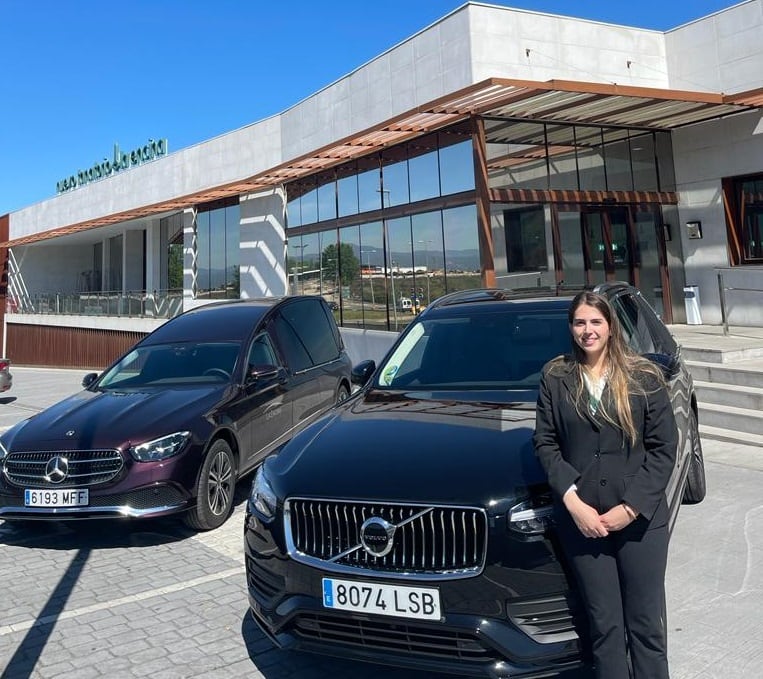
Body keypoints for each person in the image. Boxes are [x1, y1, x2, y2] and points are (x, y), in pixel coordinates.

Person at [533, 290, 678, 679]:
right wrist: (575, 504)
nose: (588, 330)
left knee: (645, 625)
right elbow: (545, 443)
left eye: (595, 322)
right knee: (605, 627)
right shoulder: (556, 376)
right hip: (584, 523)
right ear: (571, 328)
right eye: (580, 322)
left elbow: (664, 448)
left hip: (640, 520)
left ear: (611, 327)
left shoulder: (643, 376)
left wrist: (629, 508)